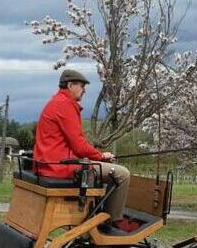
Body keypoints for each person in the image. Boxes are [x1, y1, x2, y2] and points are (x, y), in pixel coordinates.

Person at [33, 69, 132, 229]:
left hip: (51, 163)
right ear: (70, 85)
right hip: (61, 167)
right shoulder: (65, 105)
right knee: (122, 174)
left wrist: (96, 156)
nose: (84, 90)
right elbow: (79, 146)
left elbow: (74, 145)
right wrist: (101, 156)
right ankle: (111, 222)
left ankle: (98, 214)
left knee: (103, 170)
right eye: (82, 86)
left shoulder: (56, 102)